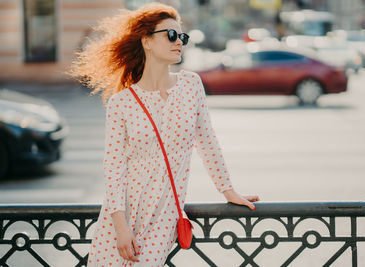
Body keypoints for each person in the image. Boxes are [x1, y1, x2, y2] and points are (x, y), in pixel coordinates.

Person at [68, 2, 260, 266]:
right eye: (170, 35)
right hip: (122, 215)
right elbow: (113, 167)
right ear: (146, 41)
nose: (178, 41)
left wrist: (228, 191)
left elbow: (207, 141)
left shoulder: (191, 85)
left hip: (165, 213)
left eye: (182, 36)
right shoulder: (121, 103)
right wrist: (120, 227)